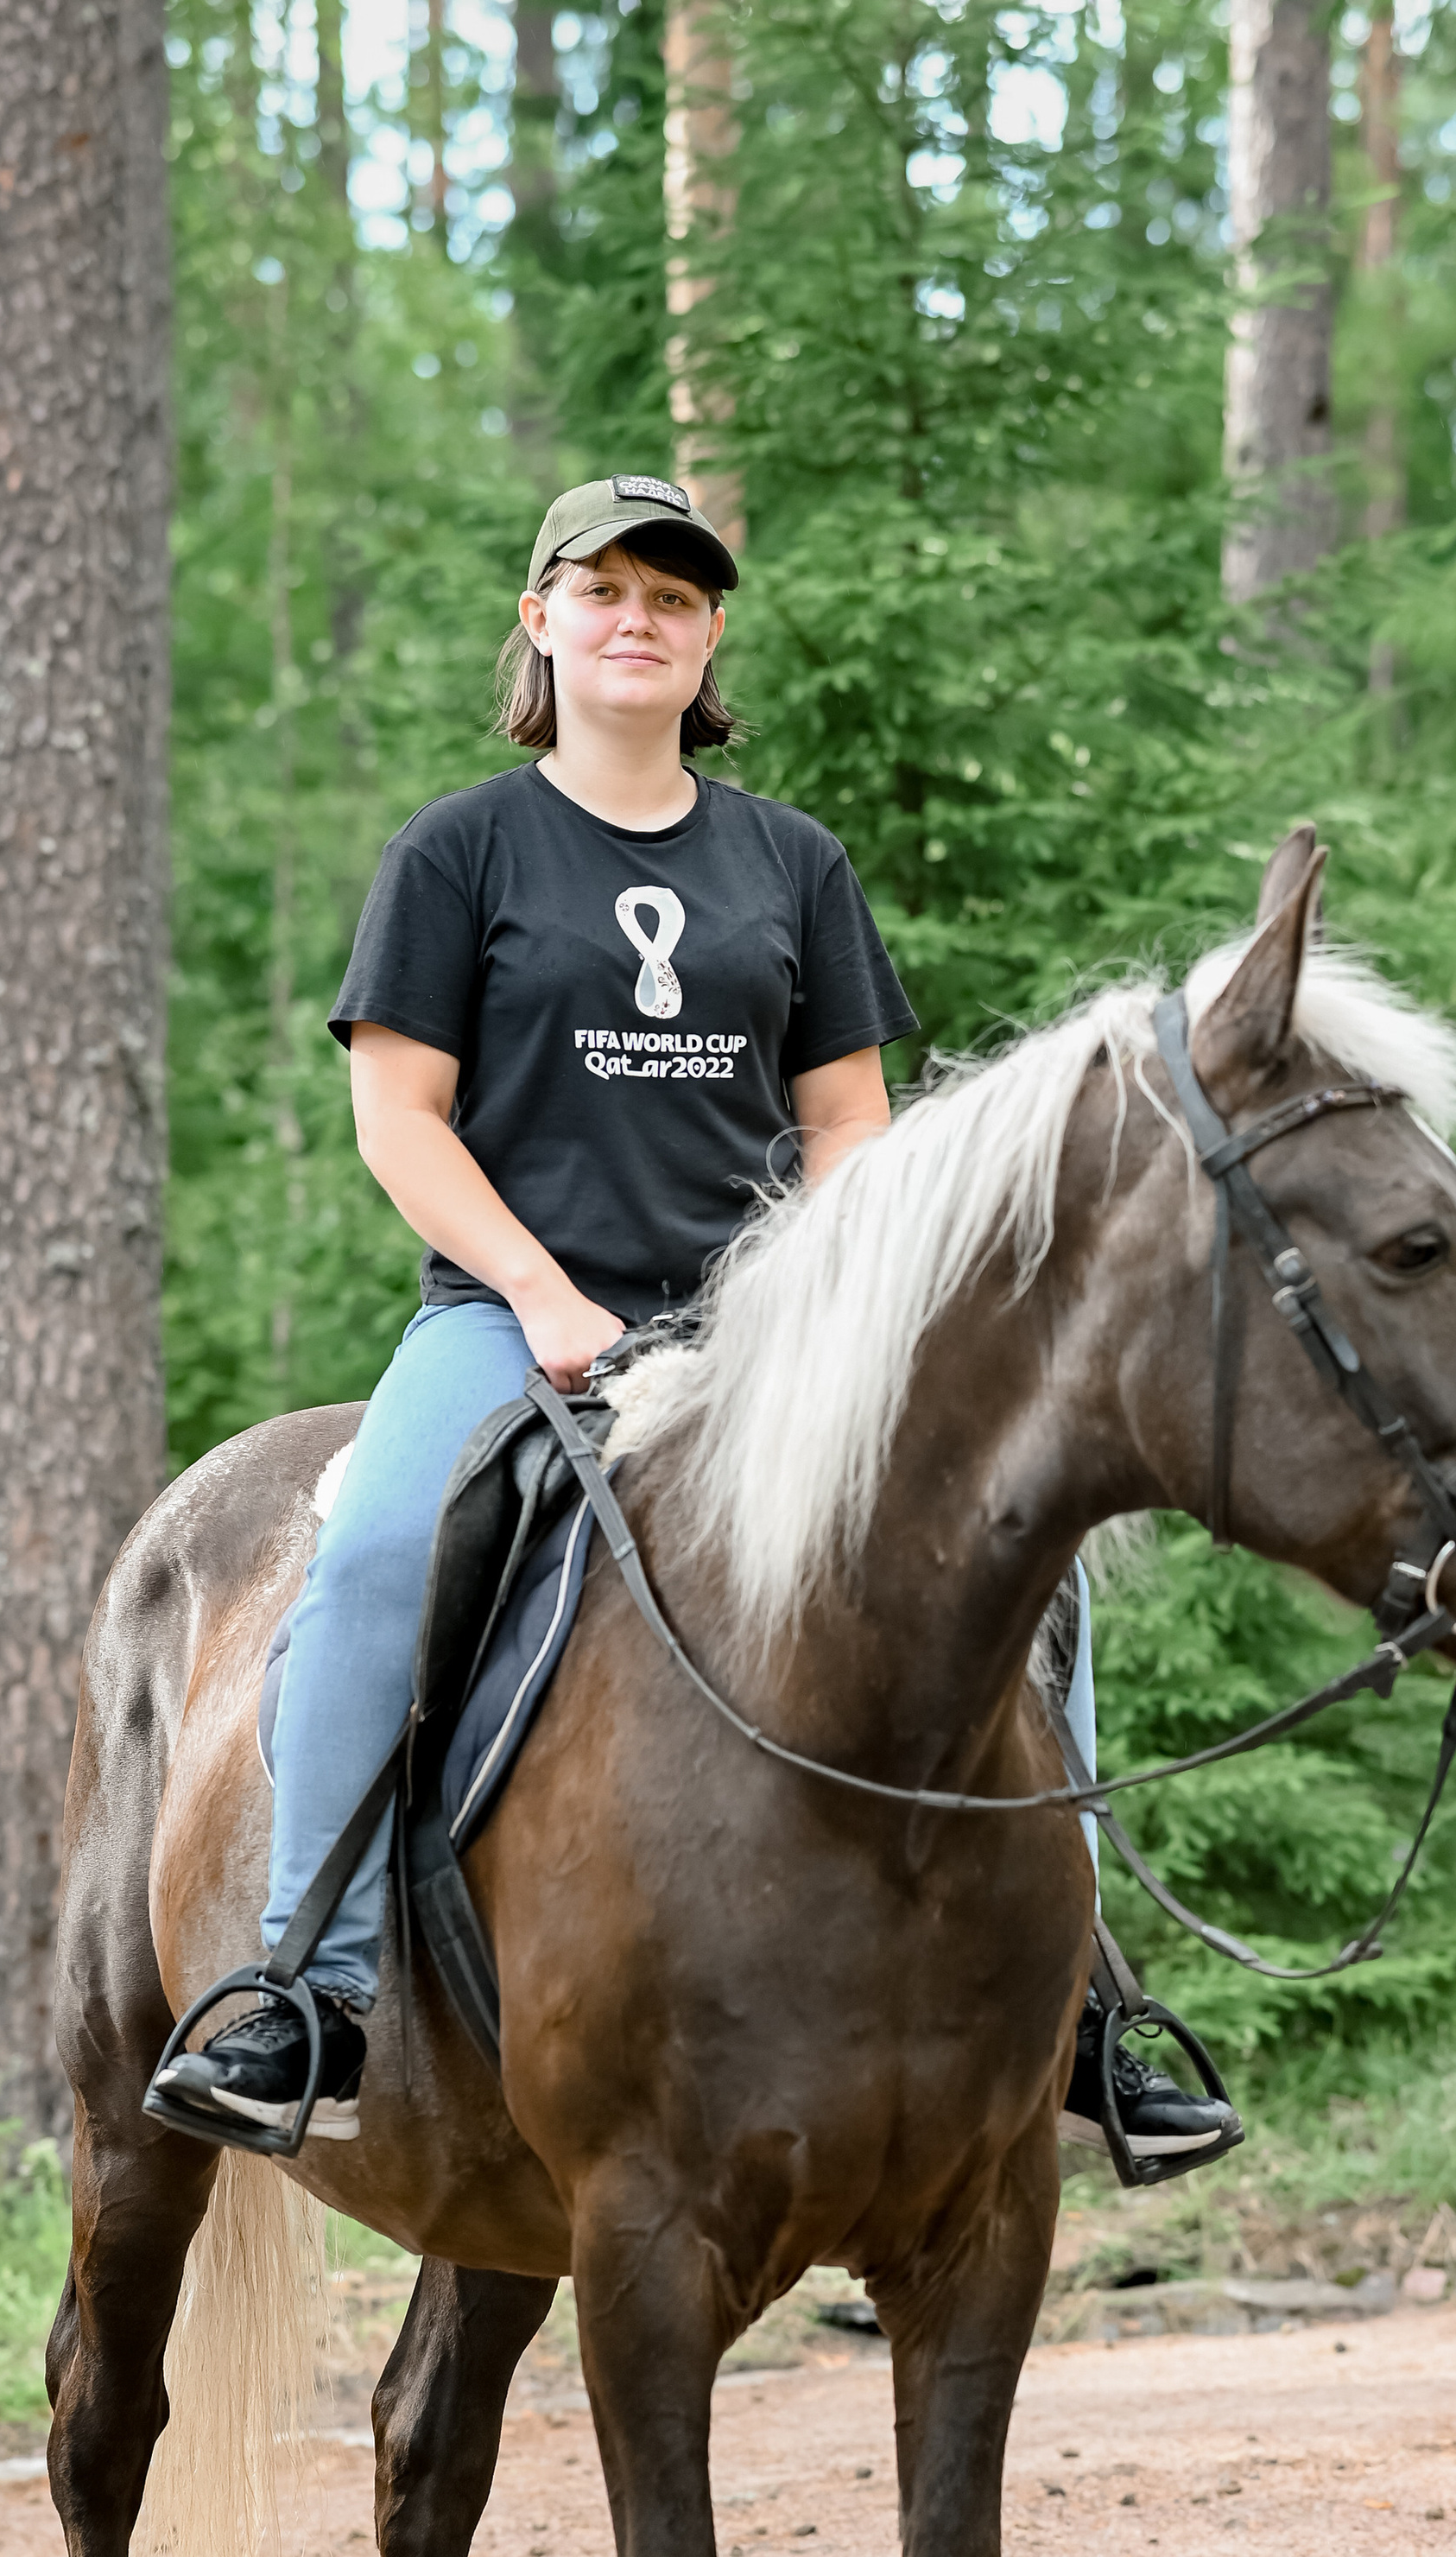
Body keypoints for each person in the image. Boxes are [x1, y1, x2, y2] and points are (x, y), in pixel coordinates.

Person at [155, 473, 1235, 2168]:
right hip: (507, 1325)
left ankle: (1082, 2009)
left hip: (759, 1346)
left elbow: (849, 1140)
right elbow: (401, 1121)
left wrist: (815, 1322)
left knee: (1029, 1575)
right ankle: (308, 1991)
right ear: (541, 620)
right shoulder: (457, 855)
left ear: (710, 631)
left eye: (673, 595)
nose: (637, 618)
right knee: (370, 1547)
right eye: (603, 591)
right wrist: (538, 1294)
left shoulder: (790, 866)